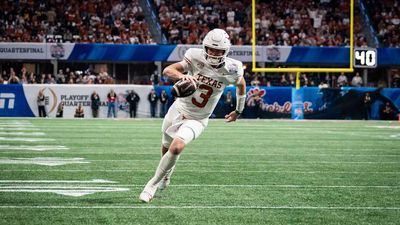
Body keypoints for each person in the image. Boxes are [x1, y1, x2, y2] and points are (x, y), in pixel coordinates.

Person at [139, 28, 247, 203]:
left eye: (218, 50)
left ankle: (151, 185)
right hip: (178, 109)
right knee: (166, 146)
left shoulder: (232, 68)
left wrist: (239, 110)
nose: (213, 53)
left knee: (176, 147)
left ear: (225, 51)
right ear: (205, 47)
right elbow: (168, 70)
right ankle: (166, 174)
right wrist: (184, 77)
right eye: (210, 49)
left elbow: (241, 85)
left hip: (198, 118)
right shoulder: (195, 56)